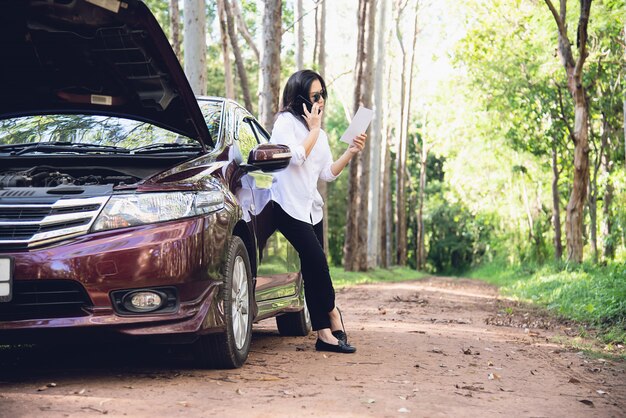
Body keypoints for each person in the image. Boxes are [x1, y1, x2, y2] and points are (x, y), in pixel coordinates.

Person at [269, 69, 367, 354]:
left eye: (323, 94)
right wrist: (312, 130)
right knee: (318, 262)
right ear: (300, 96)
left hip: (311, 208)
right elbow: (294, 157)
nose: (321, 100)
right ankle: (333, 313)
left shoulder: (320, 134)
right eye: (315, 95)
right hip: (286, 205)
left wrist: (350, 152)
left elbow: (326, 173)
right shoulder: (284, 123)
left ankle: (324, 334)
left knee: (313, 270)